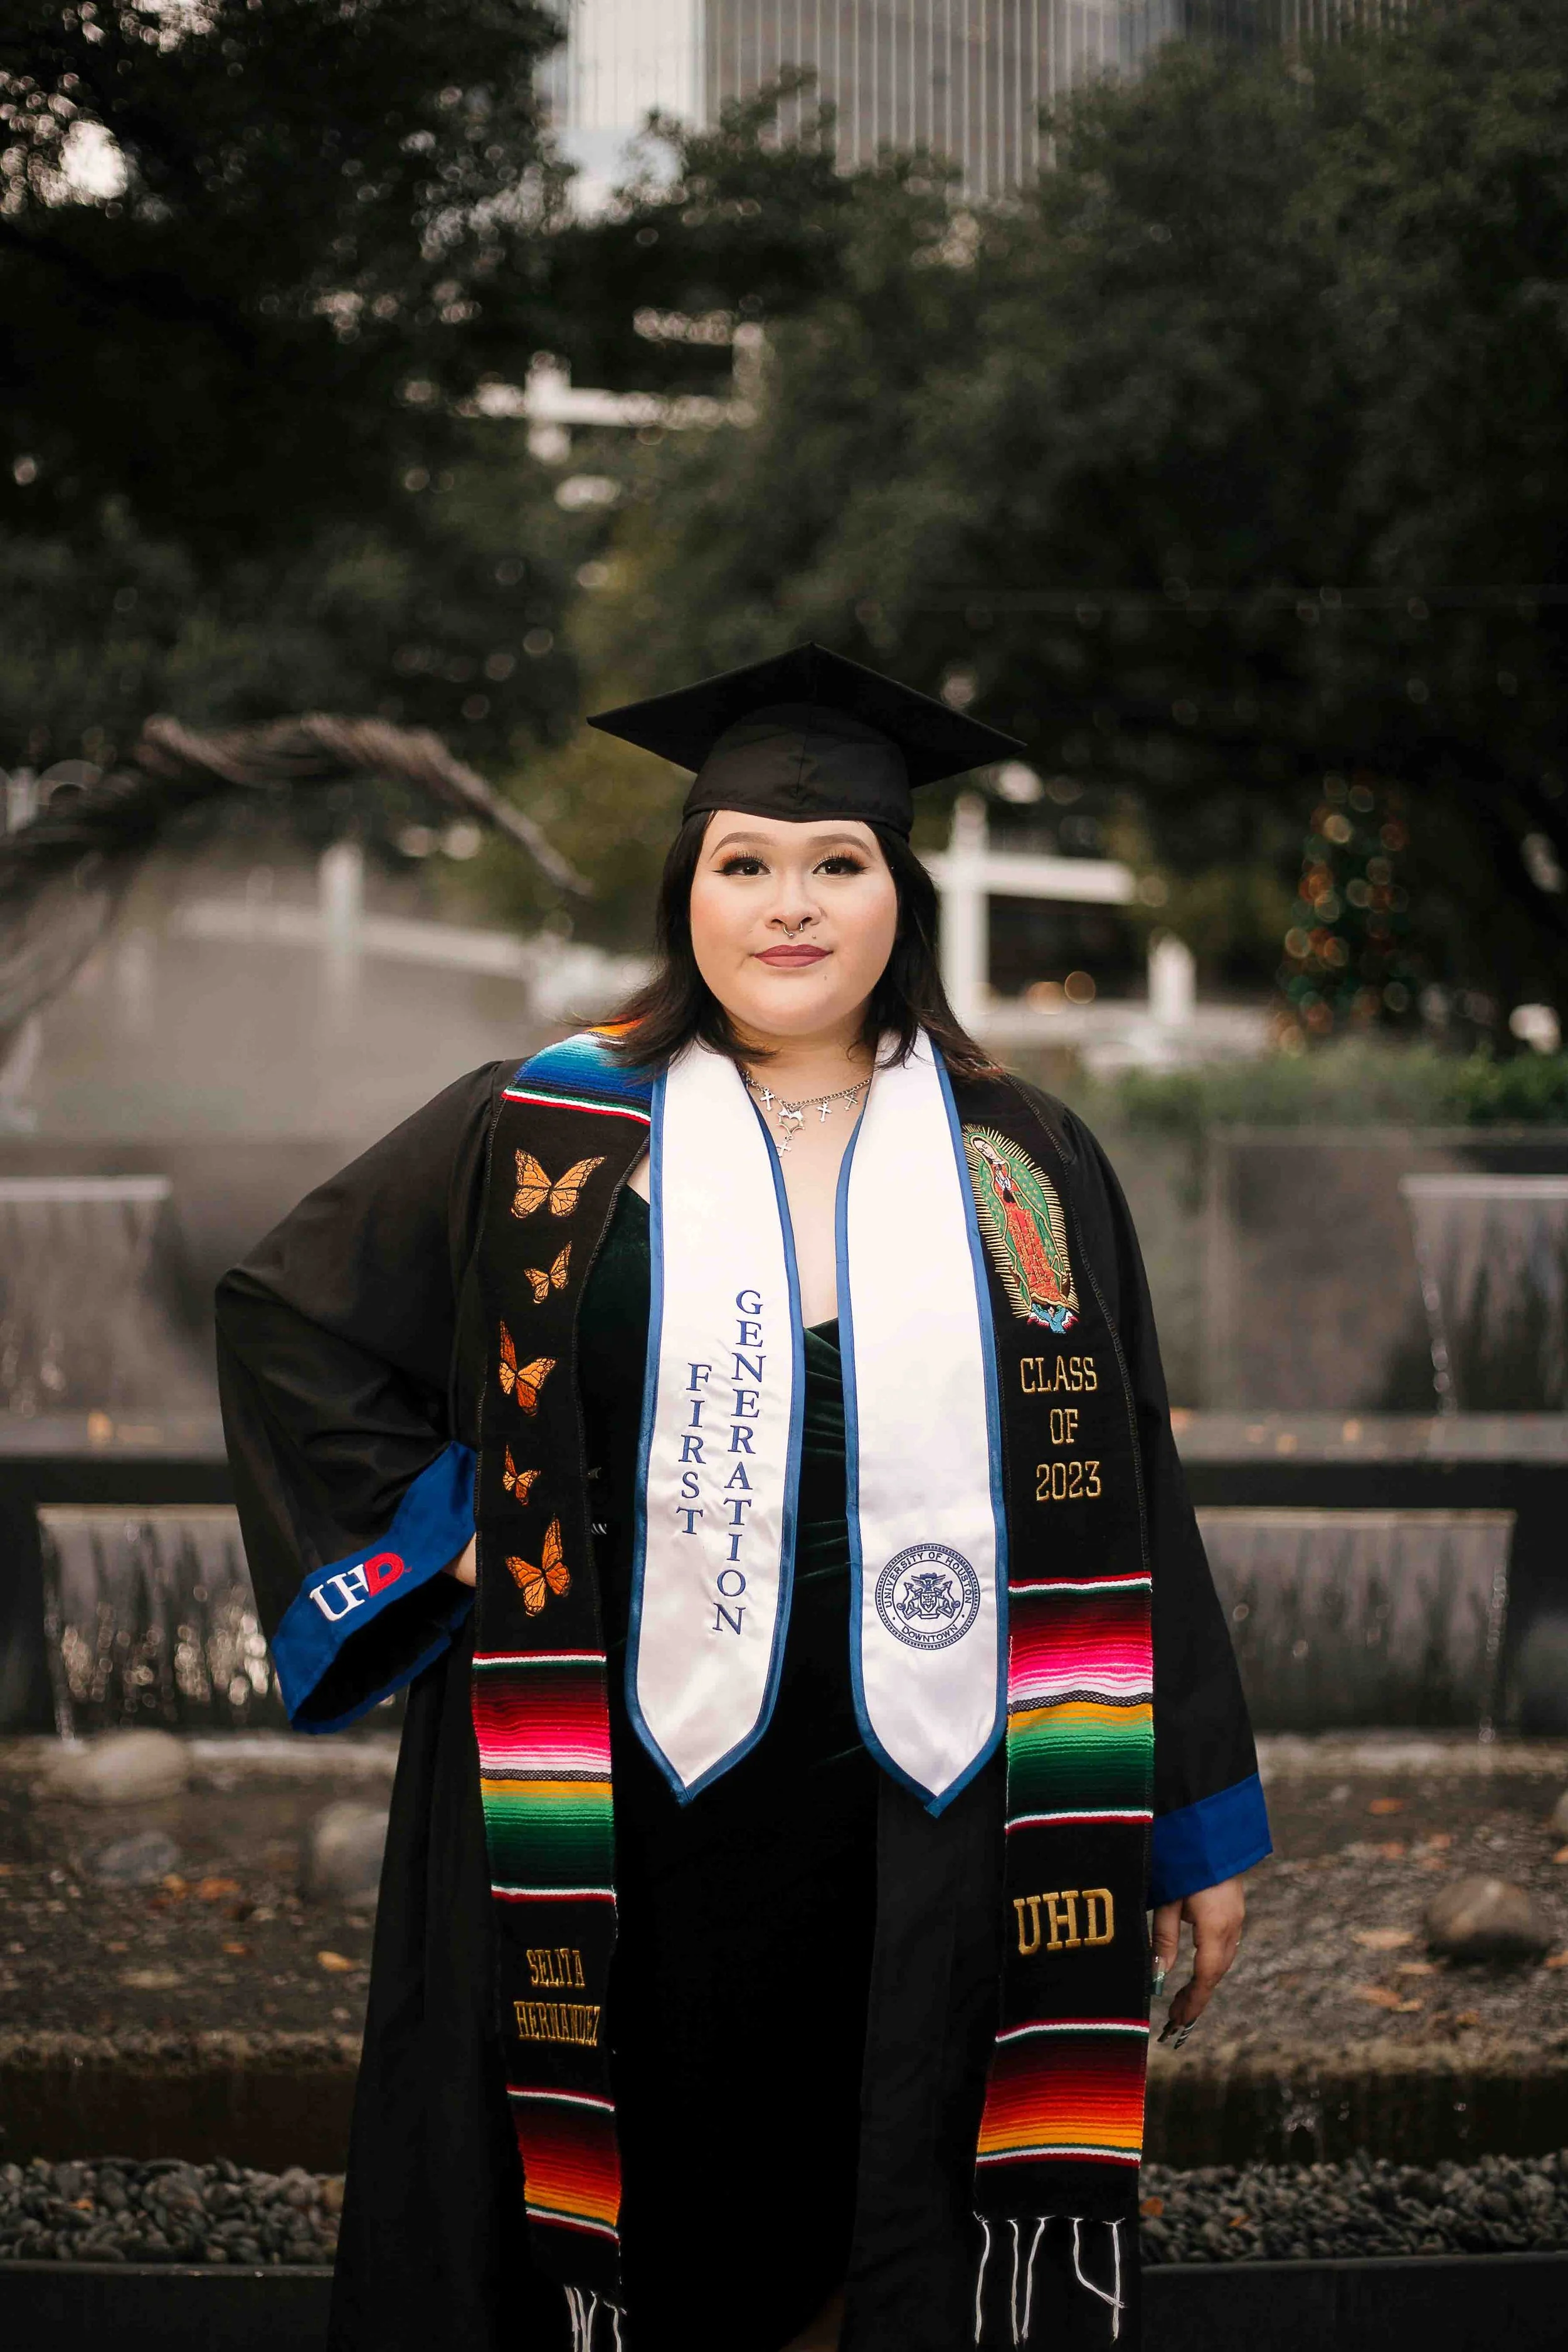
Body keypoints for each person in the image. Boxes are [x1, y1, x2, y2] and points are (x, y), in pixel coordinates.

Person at [216, 644, 1270, 2352]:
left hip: (927, 1802)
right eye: (746, 863)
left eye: (836, 862)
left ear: (897, 898)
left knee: (898, 2198)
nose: (791, 904)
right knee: (632, 2207)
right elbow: (289, 1314)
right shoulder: (555, 1123)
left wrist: (1189, 1816)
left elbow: (1120, 1480)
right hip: (625, 1790)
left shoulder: (1022, 1152)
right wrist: (442, 1528)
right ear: (687, 891)